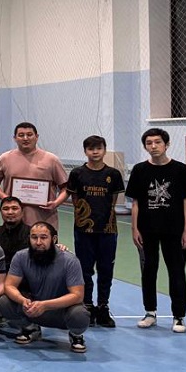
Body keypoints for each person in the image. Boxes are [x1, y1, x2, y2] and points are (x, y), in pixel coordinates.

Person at [126, 127, 186, 333]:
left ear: (166, 144)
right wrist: (134, 229)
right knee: (148, 271)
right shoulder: (139, 170)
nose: (153, 146)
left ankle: (179, 317)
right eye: (149, 143)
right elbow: (136, 203)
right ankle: (150, 313)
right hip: (147, 230)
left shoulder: (180, 169)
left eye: (157, 142)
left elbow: (185, 202)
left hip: (174, 230)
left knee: (177, 272)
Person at [0, 222, 90, 353]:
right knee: (4, 301)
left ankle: (76, 334)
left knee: (79, 314)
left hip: (60, 313)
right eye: (34, 237)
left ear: (54, 239)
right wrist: (23, 300)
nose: (38, 242)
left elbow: (77, 295)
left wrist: (45, 305)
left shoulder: (70, 260)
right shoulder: (21, 256)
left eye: (44, 237)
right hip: (32, 308)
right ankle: (30, 328)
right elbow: (9, 285)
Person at [67, 135, 125, 328]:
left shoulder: (113, 174)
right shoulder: (77, 173)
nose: (95, 152)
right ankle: (88, 306)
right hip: (83, 230)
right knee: (85, 270)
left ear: (104, 150)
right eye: (91, 148)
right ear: (85, 151)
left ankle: (103, 307)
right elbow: (75, 200)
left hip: (107, 230)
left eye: (98, 148)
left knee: (106, 269)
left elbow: (113, 201)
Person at [0, 122, 68, 228]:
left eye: (29, 134)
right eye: (21, 135)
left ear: (36, 137)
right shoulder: (4, 159)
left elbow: (66, 187)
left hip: (44, 222)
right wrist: (5, 198)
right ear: (15, 138)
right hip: (14, 222)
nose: (25, 138)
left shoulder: (51, 160)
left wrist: (56, 203)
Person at [0, 196, 30, 266]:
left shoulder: (31, 234)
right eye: (6, 209)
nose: (10, 212)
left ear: (22, 212)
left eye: (14, 208)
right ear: (1, 212)